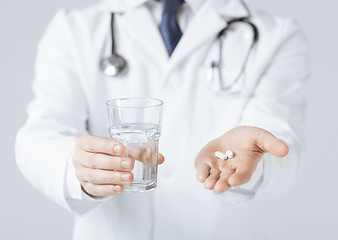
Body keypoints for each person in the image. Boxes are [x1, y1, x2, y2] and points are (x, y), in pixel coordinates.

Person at [16, 0, 310, 239]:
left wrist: (253, 163)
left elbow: (282, 149)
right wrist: (78, 166)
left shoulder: (277, 36)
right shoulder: (74, 29)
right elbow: (41, 133)